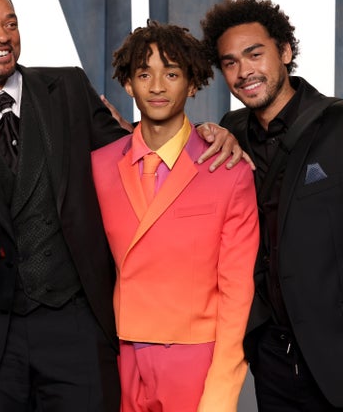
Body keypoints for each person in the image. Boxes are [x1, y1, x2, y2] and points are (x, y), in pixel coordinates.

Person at [0, 0, 246, 411]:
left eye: (10, 23)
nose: (2, 36)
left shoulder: (67, 88)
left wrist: (206, 133)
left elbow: (140, 147)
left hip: (76, 330)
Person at [201, 0, 343, 411]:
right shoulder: (232, 131)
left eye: (254, 54)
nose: (244, 71)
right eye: (230, 62)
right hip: (272, 359)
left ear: (284, 51)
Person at [91, 21, 259, 411]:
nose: (157, 86)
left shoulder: (228, 170)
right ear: (128, 84)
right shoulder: (99, 166)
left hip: (195, 357)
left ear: (193, 83)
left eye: (171, 73)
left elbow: (237, 295)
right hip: (121, 353)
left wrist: (221, 392)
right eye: (144, 74)